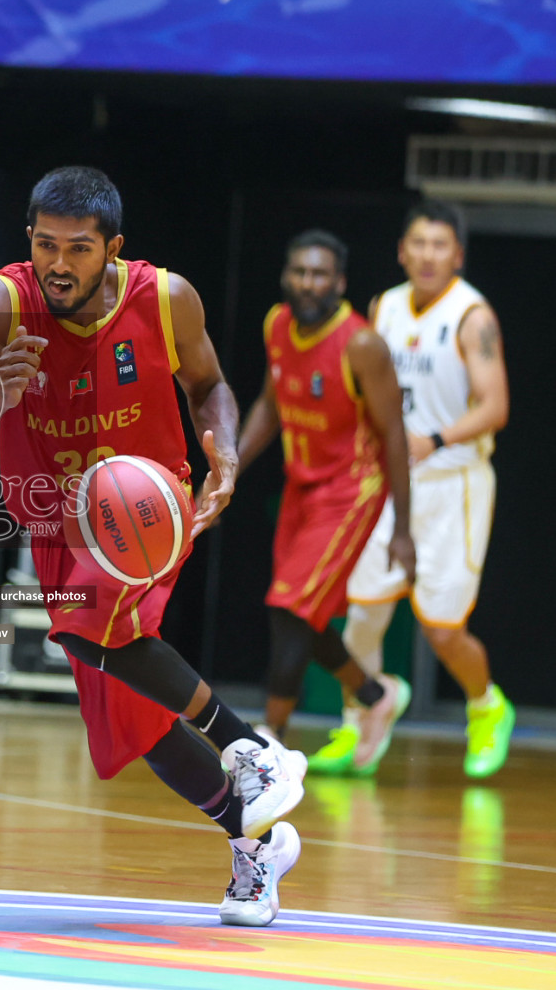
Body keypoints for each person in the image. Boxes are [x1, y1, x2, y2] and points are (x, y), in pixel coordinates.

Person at [0, 166, 305, 928]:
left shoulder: (165, 298)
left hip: (145, 507)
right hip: (55, 521)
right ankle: (255, 841)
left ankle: (250, 745)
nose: (58, 264)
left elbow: (210, 387)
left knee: (87, 625)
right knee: (135, 724)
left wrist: (222, 451)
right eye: (44, 245)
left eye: (77, 248)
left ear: (113, 248)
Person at [325, 199, 515, 779]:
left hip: (453, 482)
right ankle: (363, 719)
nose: (428, 255)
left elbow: (496, 405)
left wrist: (434, 437)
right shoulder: (381, 308)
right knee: (361, 615)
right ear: (402, 251)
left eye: (440, 246)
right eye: (419, 244)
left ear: (456, 255)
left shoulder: (471, 317)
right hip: (390, 483)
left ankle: (487, 707)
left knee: (440, 628)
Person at [235, 231, 415, 774]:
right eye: (299, 272)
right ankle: (375, 696)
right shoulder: (277, 325)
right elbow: (270, 402)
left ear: (339, 283)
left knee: (288, 609)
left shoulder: (361, 345)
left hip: (350, 491)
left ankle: (269, 746)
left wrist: (403, 528)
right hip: (301, 486)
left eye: (320, 275)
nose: (307, 283)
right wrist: (229, 471)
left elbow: (395, 437)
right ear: (287, 277)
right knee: (303, 619)